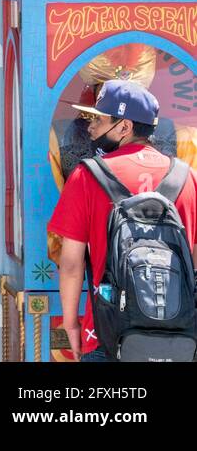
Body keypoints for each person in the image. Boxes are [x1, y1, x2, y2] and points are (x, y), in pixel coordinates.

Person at [47, 79, 197, 361]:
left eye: (100, 120)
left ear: (125, 127)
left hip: (106, 334)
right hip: (179, 339)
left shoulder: (87, 176)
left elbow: (70, 263)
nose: (90, 128)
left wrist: (70, 323)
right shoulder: (186, 178)